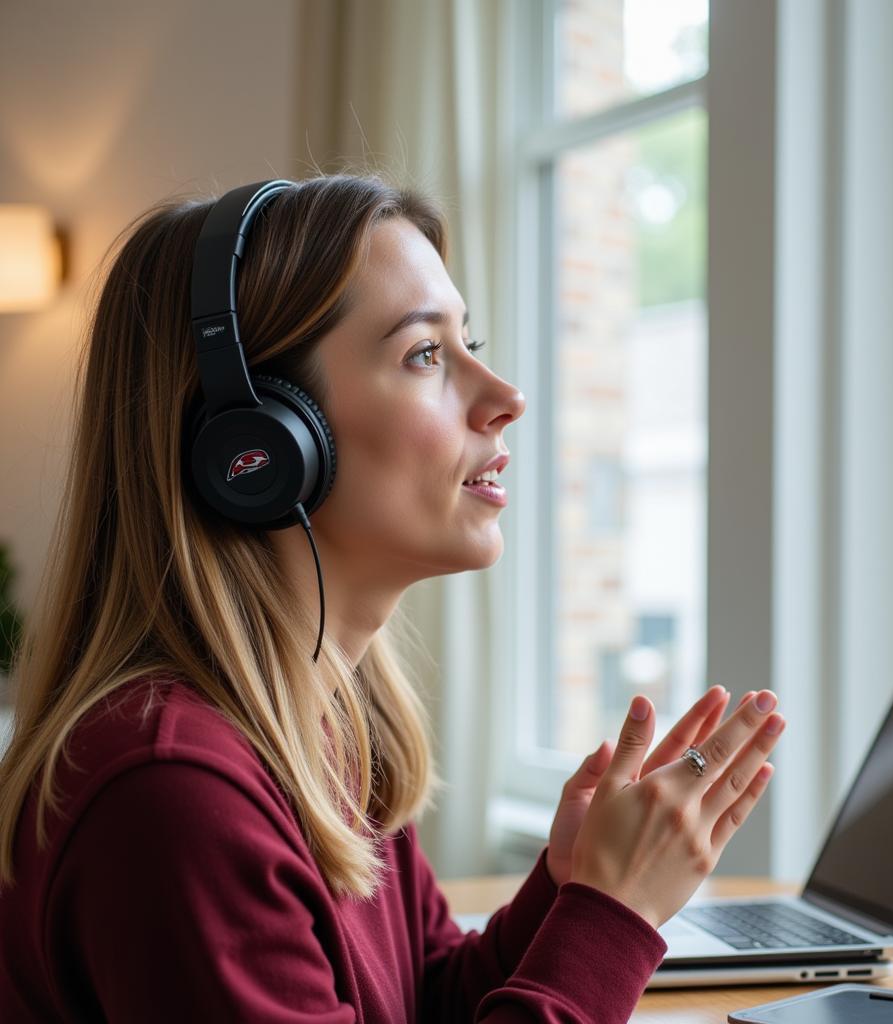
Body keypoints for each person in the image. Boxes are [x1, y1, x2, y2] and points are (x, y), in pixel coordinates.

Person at [0, 173, 785, 1022]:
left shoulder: (322, 730)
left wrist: (565, 890)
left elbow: (421, 1003)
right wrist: (612, 917)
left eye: (469, 341)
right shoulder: (175, 796)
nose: (505, 398)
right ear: (260, 445)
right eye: (425, 354)